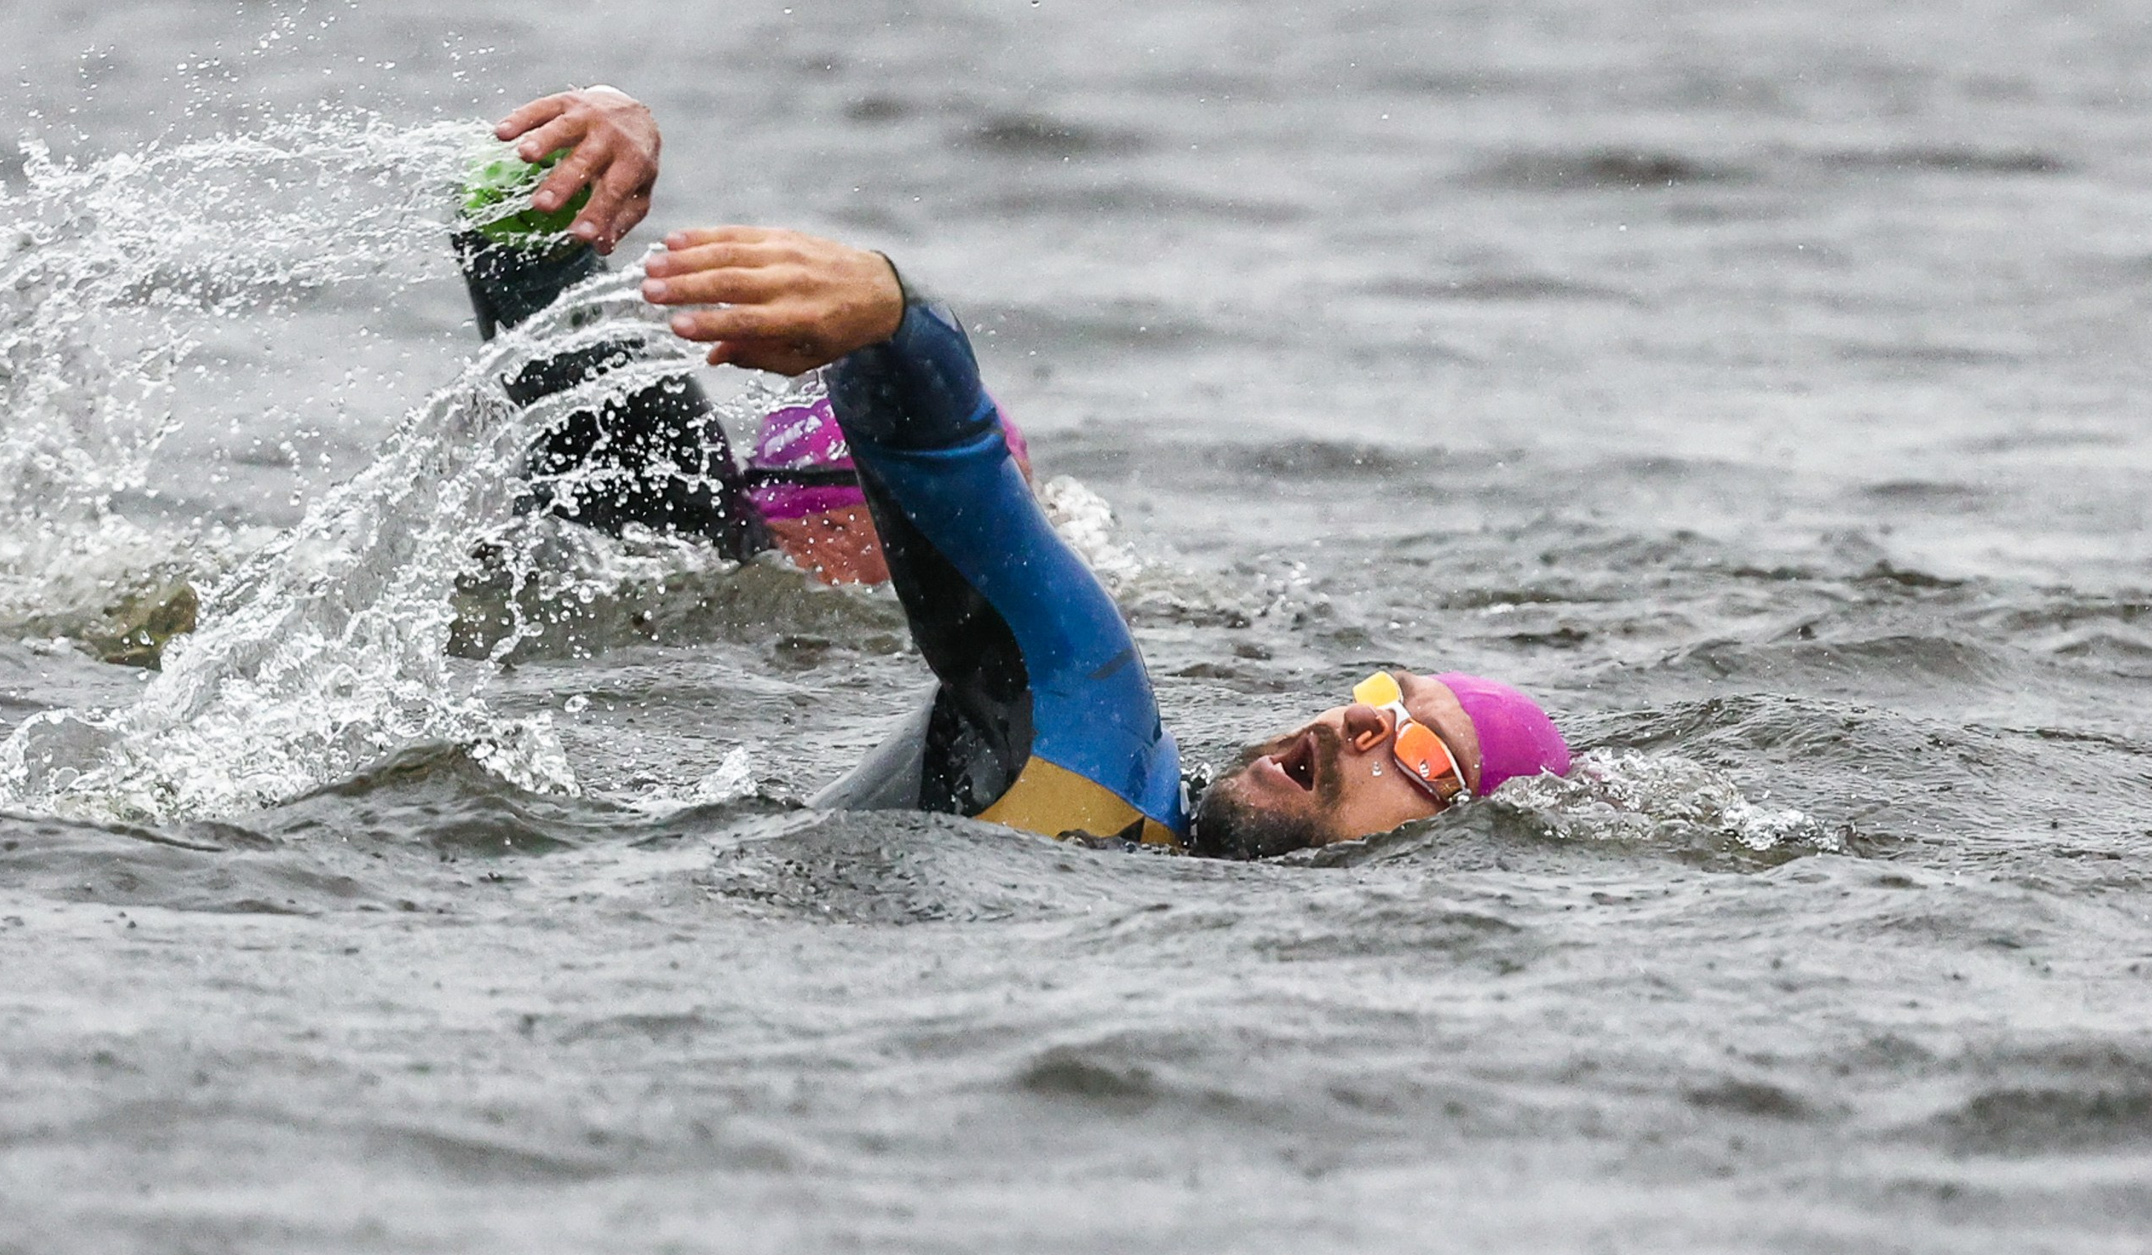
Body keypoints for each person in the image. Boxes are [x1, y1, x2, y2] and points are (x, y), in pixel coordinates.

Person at [472, 87, 1573, 855]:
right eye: (1379, 695)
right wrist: (890, 315)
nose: (1357, 722)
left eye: (1422, 745)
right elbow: (958, 483)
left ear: (1456, 841)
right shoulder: (1098, 737)